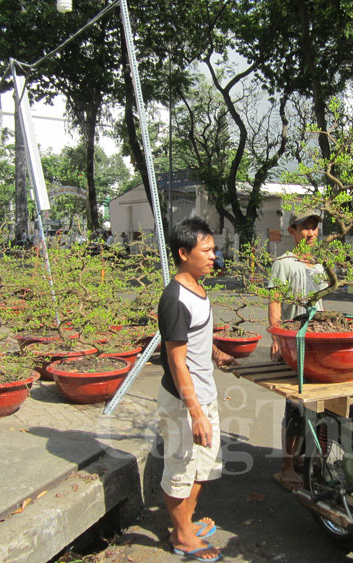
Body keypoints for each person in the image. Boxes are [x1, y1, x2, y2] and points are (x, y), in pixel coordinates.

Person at [157, 217, 236, 562]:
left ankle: (184, 524)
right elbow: (176, 363)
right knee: (180, 469)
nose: (213, 256)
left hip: (205, 395)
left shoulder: (200, 289)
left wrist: (216, 353)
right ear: (183, 253)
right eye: (206, 250)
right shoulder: (175, 298)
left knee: (204, 466)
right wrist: (196, 413)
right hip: (184, 402)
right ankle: (183, 537)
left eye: (213, 249)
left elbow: (195, 341)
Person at [267, 210, 327, 491]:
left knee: (317, 405)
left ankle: (305, 459)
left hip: (317, 343)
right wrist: (277, 336)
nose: (311, 233)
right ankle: (286, 466)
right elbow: (275, 300)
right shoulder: (284, 263)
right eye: (305, 228)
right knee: (294, 405)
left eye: (314, 228)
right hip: (293, 343)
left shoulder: (321, 264)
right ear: (292, 231)